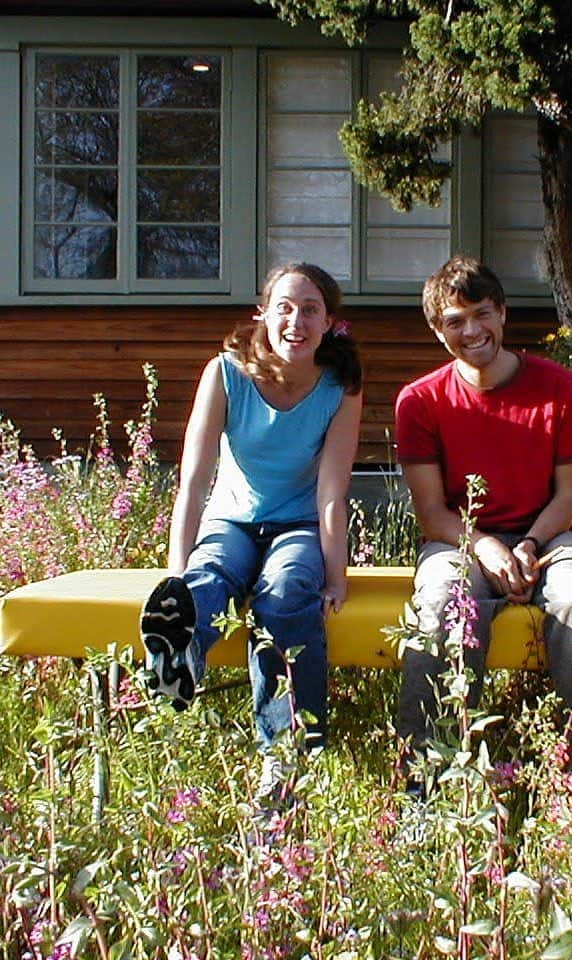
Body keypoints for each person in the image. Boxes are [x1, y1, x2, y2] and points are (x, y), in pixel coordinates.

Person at [394, 255, 572, 782]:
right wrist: (484, 545)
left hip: (548, 534)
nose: (472, 330)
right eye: (455, 321)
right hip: (458, 540)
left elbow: (570, 495)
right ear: (438, 330)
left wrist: (527, 544)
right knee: (439, 610)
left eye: (482, 313)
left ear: (502, 313)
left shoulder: (558, 387)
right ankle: (426, 783)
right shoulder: (420, 401)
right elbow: (432, 513)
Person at [139, 262, 363, 777]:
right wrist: (175, 574)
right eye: (284, 307)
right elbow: (194, 481)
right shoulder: (225, 373)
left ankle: (285, 758)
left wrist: (335, 577)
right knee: (209, 574)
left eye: (311, 310)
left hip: (298, 526)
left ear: (329, 322)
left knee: (284, 594)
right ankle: (179, 654)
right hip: (231, 520)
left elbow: (332, 491)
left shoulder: (340, 387)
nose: (296, 321)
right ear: (263, 313)